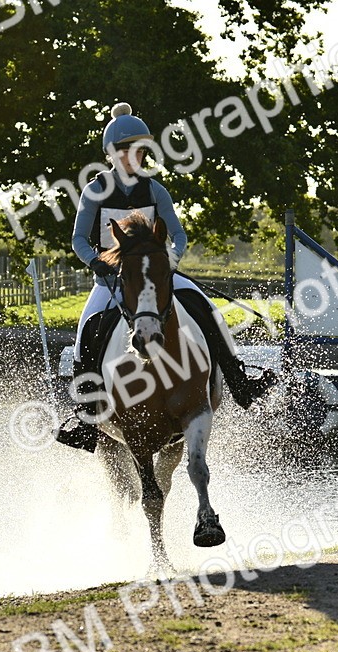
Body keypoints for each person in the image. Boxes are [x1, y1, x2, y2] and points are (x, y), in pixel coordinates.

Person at [54, 102, 277, 452]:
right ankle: (86, 418)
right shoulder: (94, 191)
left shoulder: (155, 190)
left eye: (140, 151)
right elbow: (78, 239)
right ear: (112, 154)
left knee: (206, 309)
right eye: (128, 151)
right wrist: (95, 261)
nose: (135, 157)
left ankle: (238, 378)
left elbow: (180, 235)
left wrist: (170, 261)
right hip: (111, 283)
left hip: (157, 277)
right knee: (87, 334)